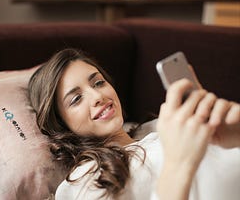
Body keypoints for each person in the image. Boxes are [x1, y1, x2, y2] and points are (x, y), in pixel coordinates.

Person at [28, 48, 240, 199]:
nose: (97, 96)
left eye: (99, 82)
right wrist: (179, 164)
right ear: (61, 125)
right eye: (76, 99)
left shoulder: (160, 126)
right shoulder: (88, 178)